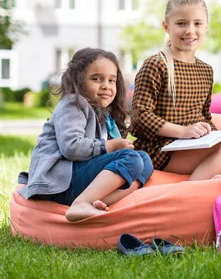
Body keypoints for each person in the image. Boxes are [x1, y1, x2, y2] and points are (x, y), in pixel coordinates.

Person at [17, 48, 154, 222]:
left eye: (111, 80)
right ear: (78, 81)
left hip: (80, 183)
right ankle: (82, 203)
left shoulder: (105, 115)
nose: (106, 85)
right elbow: (71, 147)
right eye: (97, 79)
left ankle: (99, 202)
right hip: (59, 183)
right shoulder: (73, 104)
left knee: (143, 159)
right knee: (131, 158)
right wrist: (110, 146)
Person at [130, 0, 221, 180]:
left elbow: (204, 117)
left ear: (206, 26)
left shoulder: (206, 70)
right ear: (166, 26)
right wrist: (182, 131)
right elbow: (140, 117)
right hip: (161, 149)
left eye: (197, 23)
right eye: (181, 23)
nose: (190, 30)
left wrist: (215, 134)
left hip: (192, 143)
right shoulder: (157, 65)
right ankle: (192, 189)